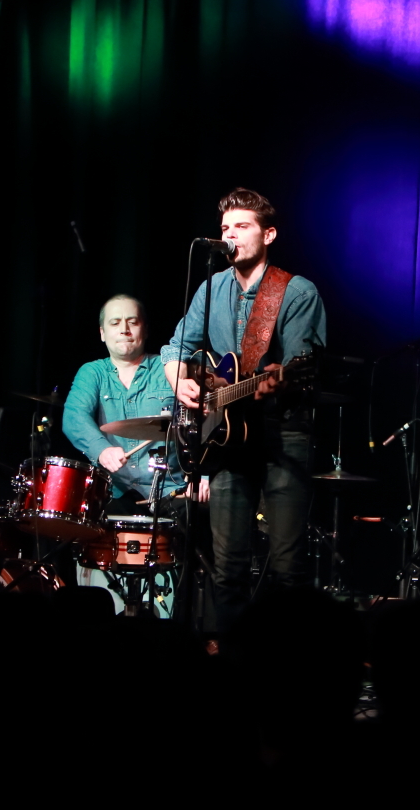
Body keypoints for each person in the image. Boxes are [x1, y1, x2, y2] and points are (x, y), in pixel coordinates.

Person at [162, 188, 326, 633]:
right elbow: (175, 348)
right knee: (227, 563)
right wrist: (181, 382)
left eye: (241, 226)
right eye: (224, 228)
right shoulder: (211, 288)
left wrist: (280, 379)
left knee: (287, 562)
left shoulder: (296, 292)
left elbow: (301, 365)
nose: (229, 235)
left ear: (268, 234)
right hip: (227, 438)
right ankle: (230, 654)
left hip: (281, 432)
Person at [62, 294, 184, 510]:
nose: (124, 330)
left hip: (170, 491)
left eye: (133, 322)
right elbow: (74, 417)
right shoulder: (92, 372)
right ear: (102, 333)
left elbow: (204, 418)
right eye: (115, 323)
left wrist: (203, 477)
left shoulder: (169, 368)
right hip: (113, 492)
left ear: (145, 330)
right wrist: (101, 450)